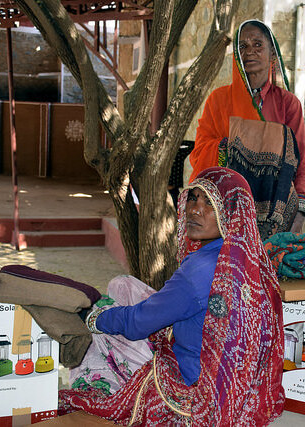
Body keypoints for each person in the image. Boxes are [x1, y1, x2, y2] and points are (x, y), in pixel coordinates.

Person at [59, 167, 286, 425]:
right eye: (193, 198)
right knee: (122, 285)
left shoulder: (199, 271)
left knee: (103, 334)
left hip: (194, 387)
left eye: (210, 203)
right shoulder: (251, 258)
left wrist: (95, 319)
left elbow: (135, 325)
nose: (195, 210)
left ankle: (100, 377)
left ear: (232, 212)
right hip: (240, 386)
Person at [190, 19, 305, 239]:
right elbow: (200, 153)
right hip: (224, 216)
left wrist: (301, 213)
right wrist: (232, 147)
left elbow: (300, 161)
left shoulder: (288, 104)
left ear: (273, 54)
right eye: (243, 47)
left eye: (258, 45)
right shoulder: (218, 100)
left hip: (276, 218)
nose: (250, 52)